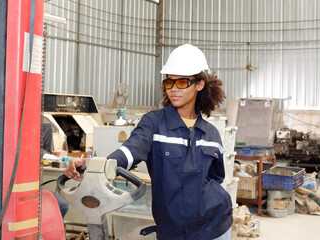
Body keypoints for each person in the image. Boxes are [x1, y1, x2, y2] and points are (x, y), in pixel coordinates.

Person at [64, 44, 232, 239]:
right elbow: (129, 151)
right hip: (173, 232)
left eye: (182, 82)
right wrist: (97, 167)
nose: (174, 89)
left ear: (199, 84)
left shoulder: (211, 135)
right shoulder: (154, 124)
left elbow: (216, 179)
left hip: (216, 227)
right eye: (170, 82)